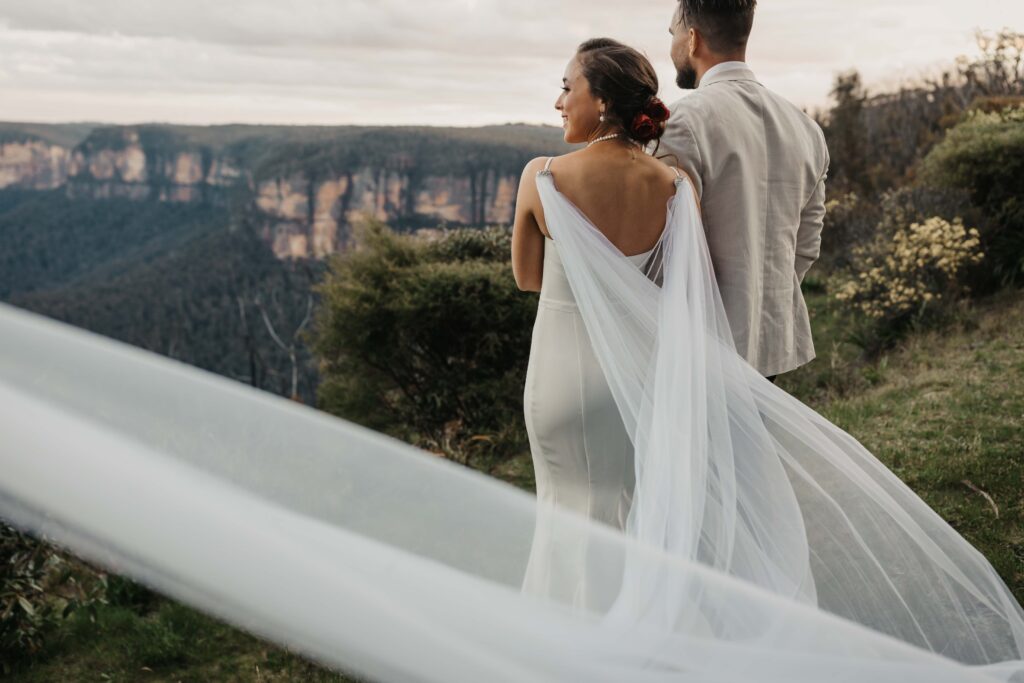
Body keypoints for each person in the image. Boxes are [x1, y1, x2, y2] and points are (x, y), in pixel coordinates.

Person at [658, 0, 830, 383]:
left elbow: (666, 242)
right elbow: (806, 246)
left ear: (692, 39)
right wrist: (759, 298)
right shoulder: (806, 128)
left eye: (672, 35)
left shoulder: (682, 122)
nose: (670, 47)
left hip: (702, 344)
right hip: (771, 342)